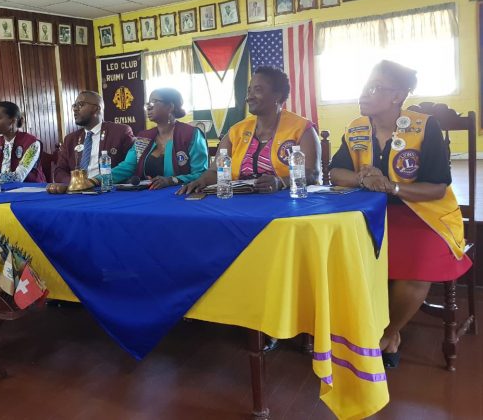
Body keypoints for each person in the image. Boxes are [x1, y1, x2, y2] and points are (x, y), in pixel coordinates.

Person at [329, 60, 471, 368]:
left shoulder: (424, 126)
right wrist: (364, 179)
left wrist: (391, 187)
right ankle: (371, 330)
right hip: (372, 213)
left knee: (417, 266)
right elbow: (336, 172)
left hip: (425, 215)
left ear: (397, 96)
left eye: (374, 88)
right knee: (341, 252)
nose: (364, 94)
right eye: (365, 87)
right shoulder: (355, 128)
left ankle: (387, 334)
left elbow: (436, 188)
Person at [180, 66, 320, 195]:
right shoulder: (236, 131)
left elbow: (312, 173)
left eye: (257, 90)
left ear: (277, 95)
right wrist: (200, 182)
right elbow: (214, 171)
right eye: (249, 90)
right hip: (238, 202)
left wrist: (281, 182)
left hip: (286, 202)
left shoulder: (301, 128)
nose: (249, 97)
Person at [106, 88, 208, 189]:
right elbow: (127, 167)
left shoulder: (190, 134)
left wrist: (172, 180)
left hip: (181, 194)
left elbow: (201, 173)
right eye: (148, 103)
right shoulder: (143, 137)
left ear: (170, 106)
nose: (148, 107)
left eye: (154, 102)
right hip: (148, 195)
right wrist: (96, 180)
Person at [54, 91, 134, 184]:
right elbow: (59, 171)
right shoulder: (70, 139)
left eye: (80, 104)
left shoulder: (120, 132)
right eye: (74, 106)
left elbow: (132, 166)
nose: (75, 109)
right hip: (77, 193)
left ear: (96, 108)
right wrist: (75, 183)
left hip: (108, 191)